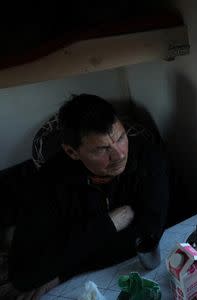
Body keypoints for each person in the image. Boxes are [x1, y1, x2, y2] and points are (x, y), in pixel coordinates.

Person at [0, 94, 170, 299]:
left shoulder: (145, 155)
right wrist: (108, 225)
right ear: (72, 152)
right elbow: (23, 276)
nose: (119, 155)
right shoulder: (48, 181)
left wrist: (62, 271)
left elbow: (147, 237)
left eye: (120, 138)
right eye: (102, 149)